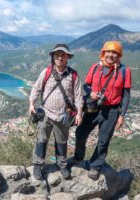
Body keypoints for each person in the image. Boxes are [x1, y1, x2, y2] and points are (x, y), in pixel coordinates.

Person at [69, 41, 132, 180]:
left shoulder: (124, 71)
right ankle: (78, 157)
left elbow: (126, 94)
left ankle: (95, 166)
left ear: (119, 55)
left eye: (114, 52)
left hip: (112, 110)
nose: (111, 55)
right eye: (108, 51)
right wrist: (91, 92)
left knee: (103, 140)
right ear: (103, 53)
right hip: (94, 107)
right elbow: (86, 85)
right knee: (80, 133)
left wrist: (122, 115)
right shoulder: (96, 67)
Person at [29, 43, 83, 180]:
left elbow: (78, 95)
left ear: (67, 58)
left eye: (63, 55)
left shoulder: (73, 75)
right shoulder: (46, 72)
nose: (60, 57)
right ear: (53, 56)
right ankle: (37, 164)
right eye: (57, 55)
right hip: (46, 113)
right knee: (41, 140)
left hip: (64, 115)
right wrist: (31, 103)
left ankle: (62, 165)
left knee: (62, 141)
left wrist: (79, 113)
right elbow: (36, 88)